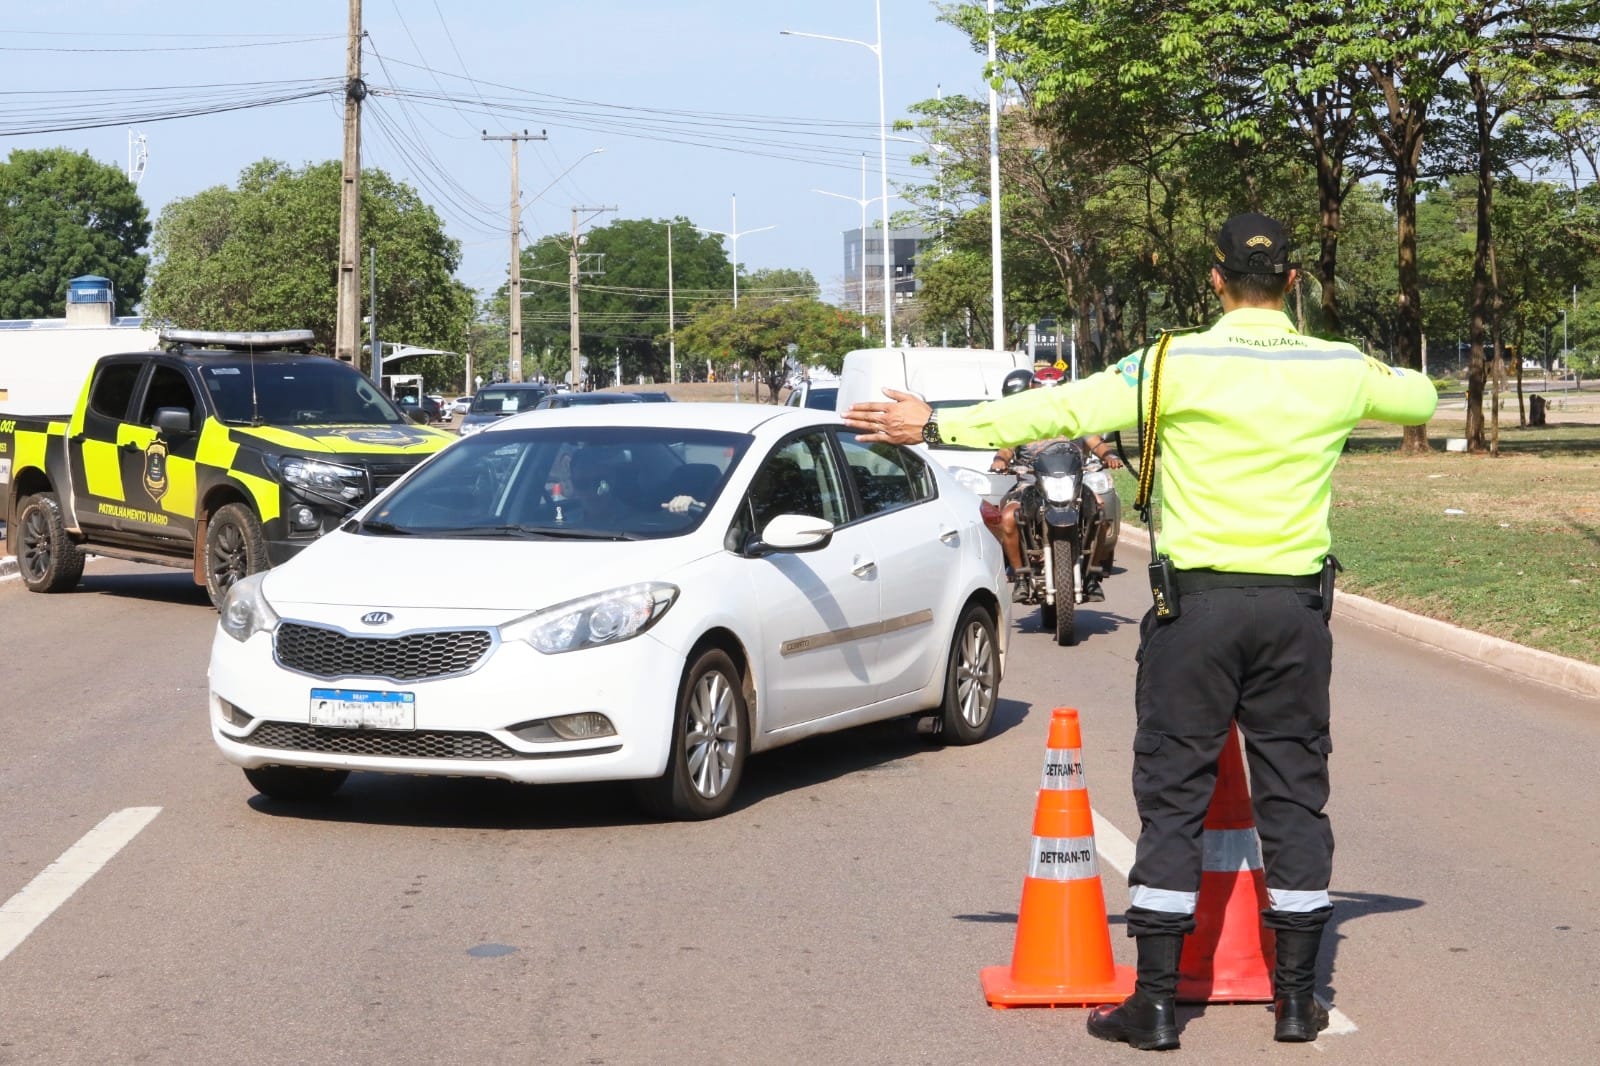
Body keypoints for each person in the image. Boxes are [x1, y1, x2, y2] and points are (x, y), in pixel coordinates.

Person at [842, 212, 1437, 1050]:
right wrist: (1338, 363)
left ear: (1216, 281)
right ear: (1293, 284)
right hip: (1297, 613)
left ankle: (1156, 1005)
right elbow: (1420, 395)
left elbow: (1052, 410)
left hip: (1195, 613)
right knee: (1296, 797)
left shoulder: (1165, 364)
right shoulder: (1339, 368)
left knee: (1173, 797)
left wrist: (933, 424)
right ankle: (1297, 1000)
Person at [984, 371, 1122, 601]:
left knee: (1100, 510)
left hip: (1073, 483)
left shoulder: (1075, 419)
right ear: (1033, 390)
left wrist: (1109, 455)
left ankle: (1093, 574)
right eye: (1042, 391)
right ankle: (1020, 576)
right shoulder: (1024, 419)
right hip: (1031, 484)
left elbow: (1096, 443)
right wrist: (1000, 460)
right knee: (1008, 516)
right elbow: (1007, 448)